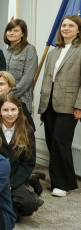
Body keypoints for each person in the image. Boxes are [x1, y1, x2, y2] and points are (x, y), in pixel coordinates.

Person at [38, 14, 81, 197]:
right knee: (51, 142)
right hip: (49, 104)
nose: (66, 28)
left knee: (60, 142)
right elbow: (46, 80)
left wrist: (79, 105)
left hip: (69, 104)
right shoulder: (54, 52)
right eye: (63, 25)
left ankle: (61, 184)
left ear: (78, 30)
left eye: (71, 26)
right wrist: (43, 106)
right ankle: (68, 180)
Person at [0, 93, 43, 220]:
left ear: (18, 110)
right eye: (5, 110)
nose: (10, 114)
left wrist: (11, 184)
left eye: (13, 109)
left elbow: (28, 163)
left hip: (16, 179)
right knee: (9, 213)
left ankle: (21, 197)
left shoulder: (27, 131)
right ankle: (9, 208)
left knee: (28, 205)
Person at [3, 19, 38, 111]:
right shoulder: (5, 52)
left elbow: (28, 77)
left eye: (16, 31)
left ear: (22, 34)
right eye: (9, 30)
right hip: (4, 99)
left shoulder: (29, 49)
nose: (11, 33)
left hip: (22, 99)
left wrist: (11, 94)